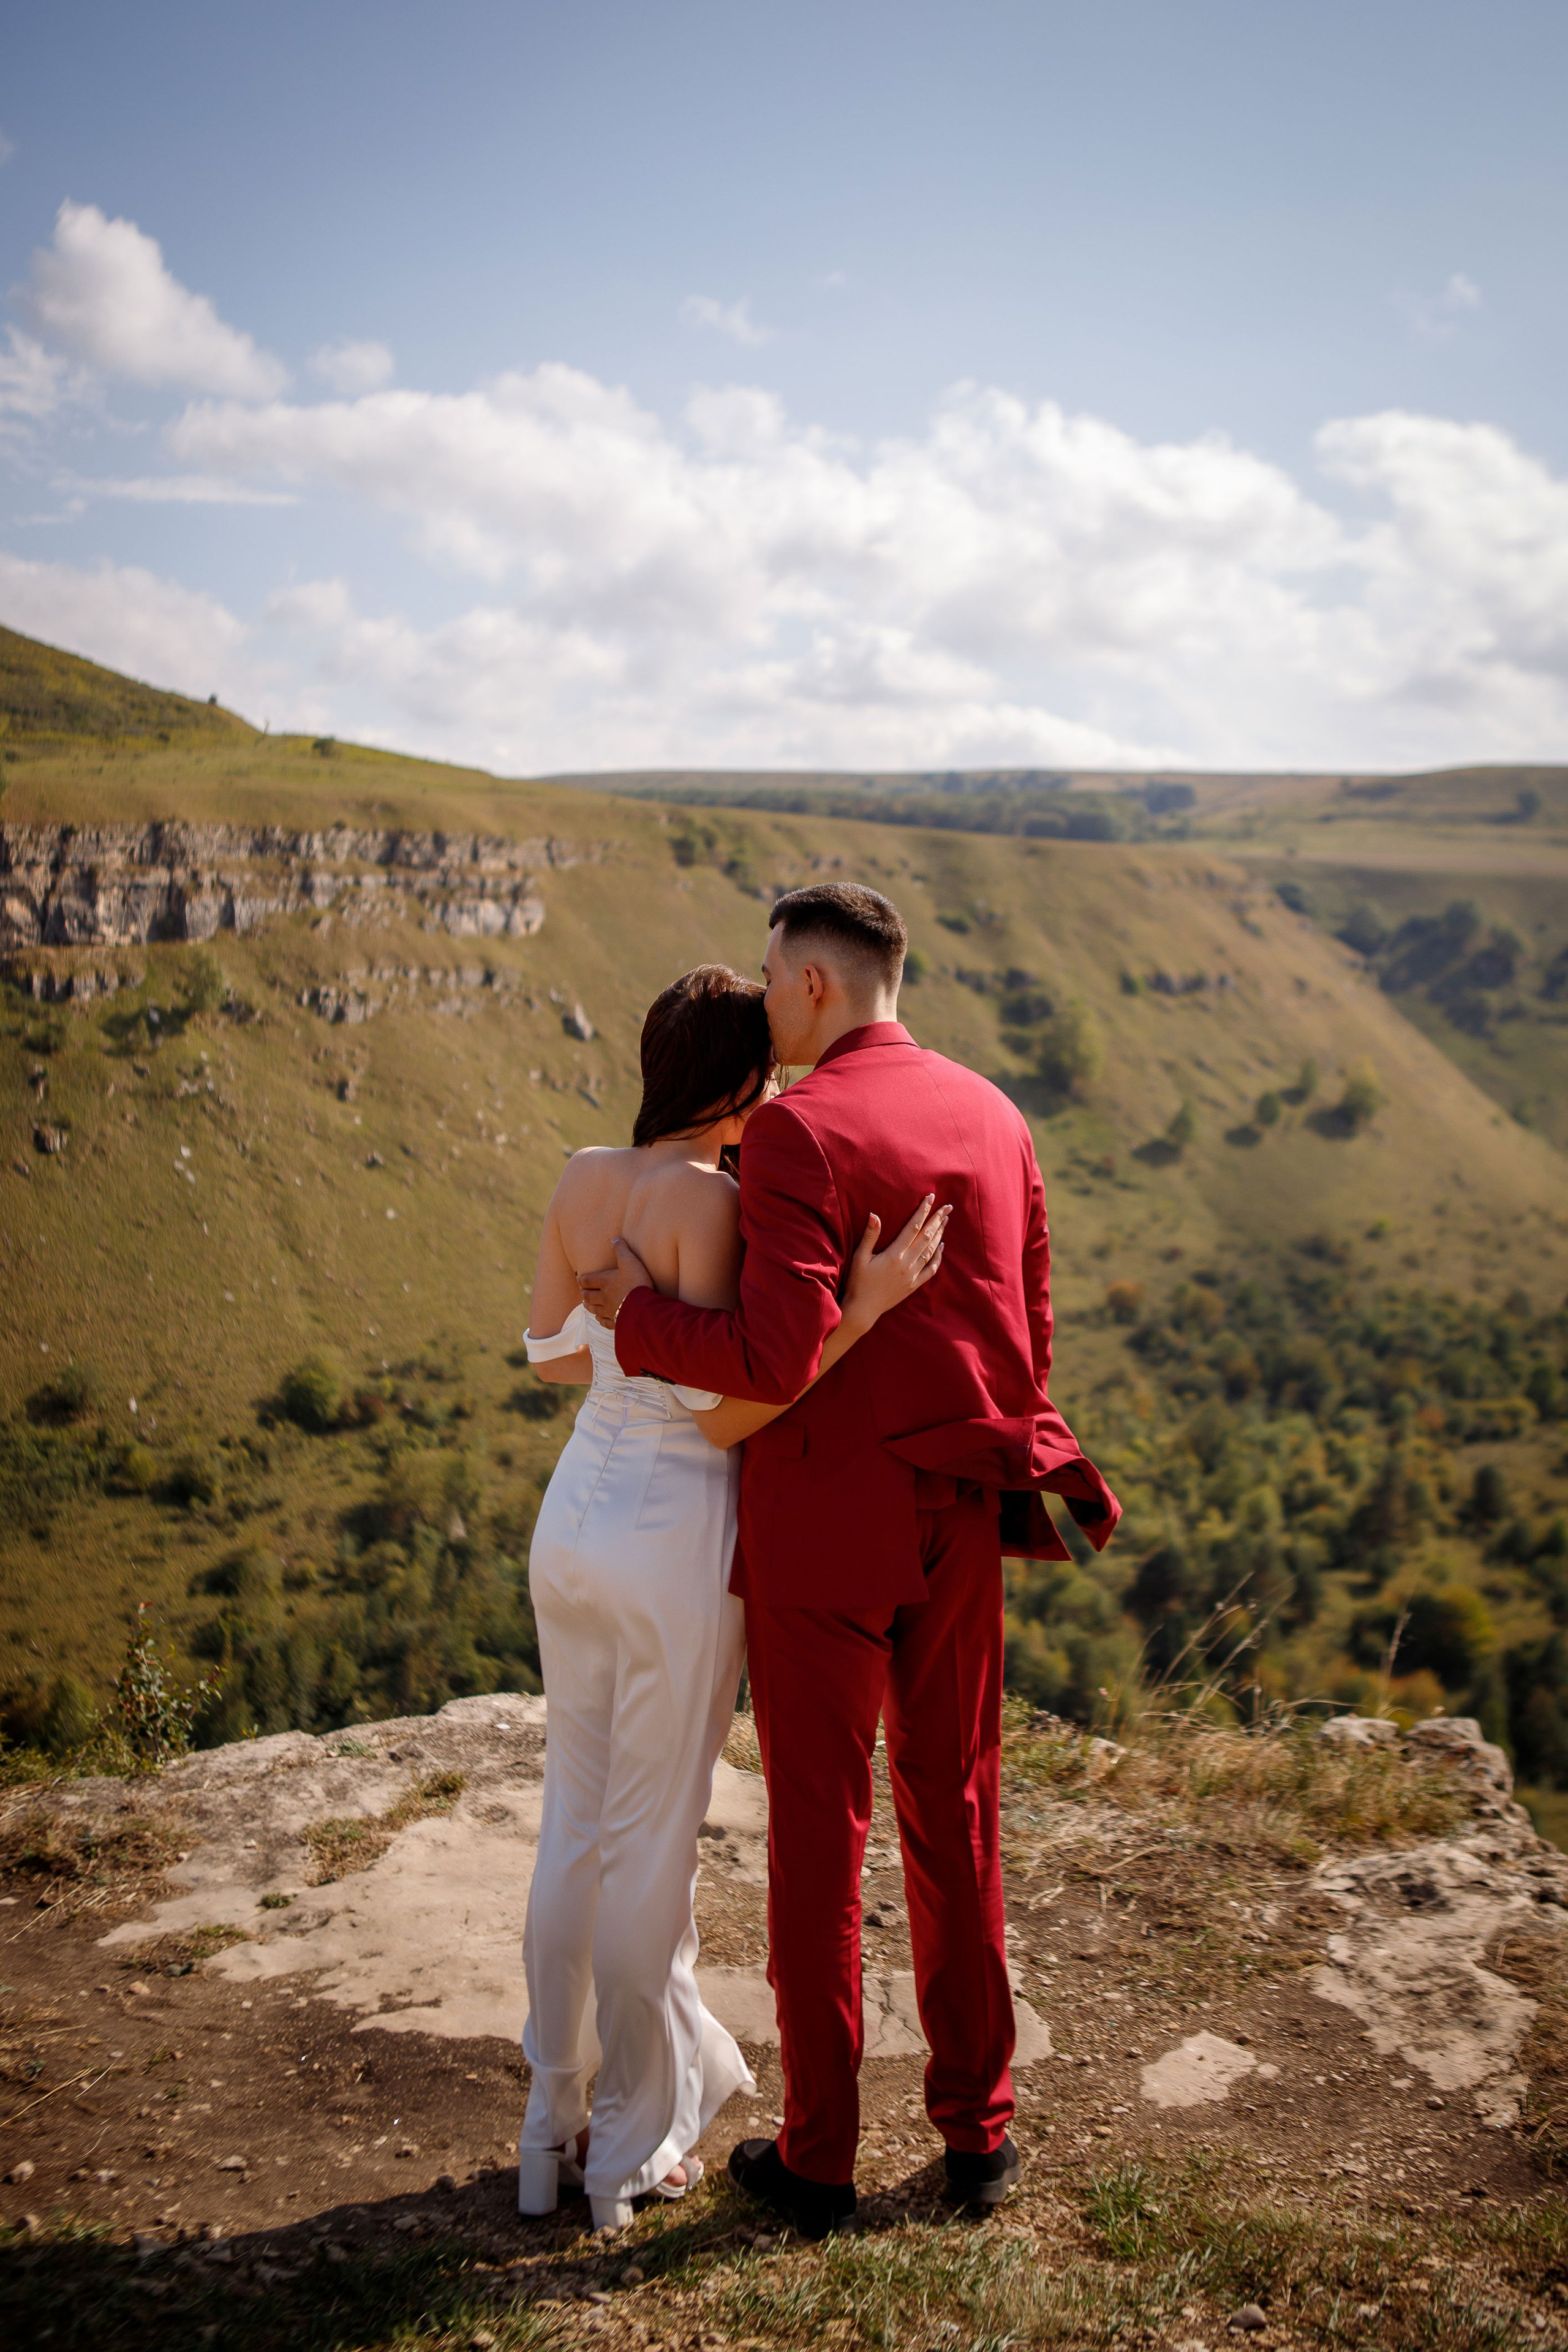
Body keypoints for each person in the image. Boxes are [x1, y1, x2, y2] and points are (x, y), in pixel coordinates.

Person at [581, 884, 1121, 2238]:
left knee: (820, 1841)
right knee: (960, 1815)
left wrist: (637, 1319)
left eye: (769, 978)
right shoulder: (996, 1115)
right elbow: (1029, 1321)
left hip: (826, 1521)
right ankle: (976, 2135)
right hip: (964, 1508)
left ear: (814, 984)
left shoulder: (796, 1134)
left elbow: (770, 1359)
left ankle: (819, 2157)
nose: (763, 1003)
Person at [516, 962, 950, 2233]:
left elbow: (548, 1356)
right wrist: (859, 1314)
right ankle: (629, 2154)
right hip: (672, 1534)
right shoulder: (721, 1202)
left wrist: (619, 1327)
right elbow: (736, 1415)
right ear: (741, 1085)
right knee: (652, 1840)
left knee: (572, 1827)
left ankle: (550, 2128)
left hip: (571, 1521)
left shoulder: (581, 1175)